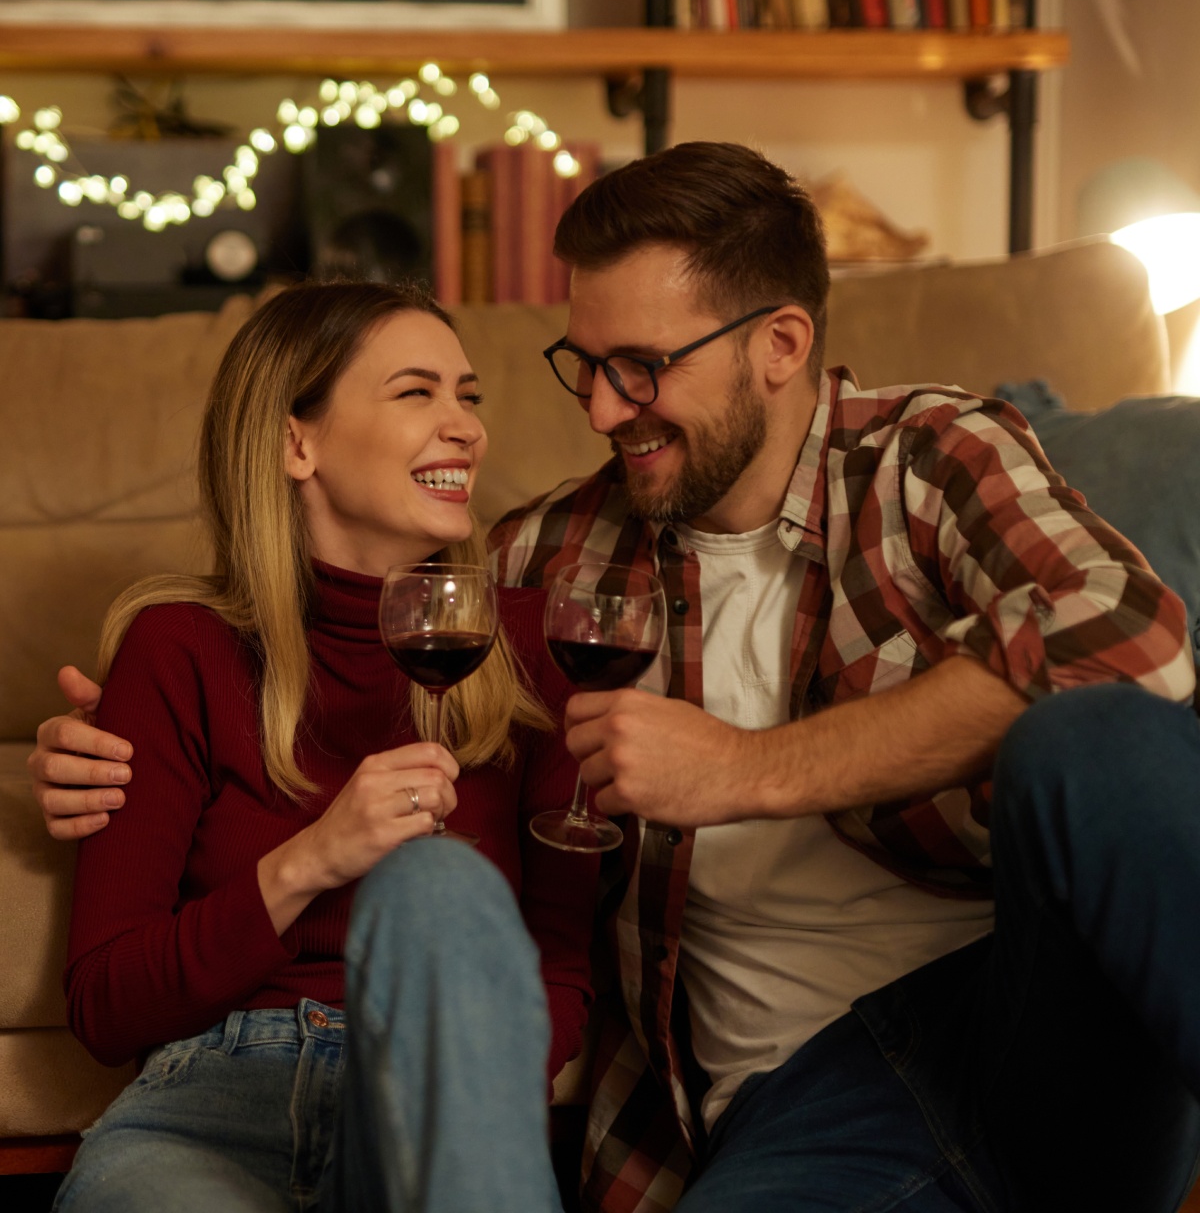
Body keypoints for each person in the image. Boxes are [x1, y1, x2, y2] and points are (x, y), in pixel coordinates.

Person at [33, 144, 1200, 1212]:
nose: (598, 411)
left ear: (779, 346)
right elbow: (330, 621)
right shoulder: (540, 567)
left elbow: (1138, 645)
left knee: (1091, 742)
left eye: (640, 368)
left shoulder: (928, 459)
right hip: (801, 1111)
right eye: (583, 368)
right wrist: (97, 743)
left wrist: (746, 769)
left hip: (1026, 1018)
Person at [40, 280, 596, 1213]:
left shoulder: (532, 648)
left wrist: (468, 1092)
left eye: (469, 396)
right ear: (298, 442)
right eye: (417, 392)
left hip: (433, 1115)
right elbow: (105, 1005)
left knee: (441, 884)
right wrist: (312, 859)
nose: (464, 426)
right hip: (208, 1110)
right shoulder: (180, 647)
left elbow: (561, 972)